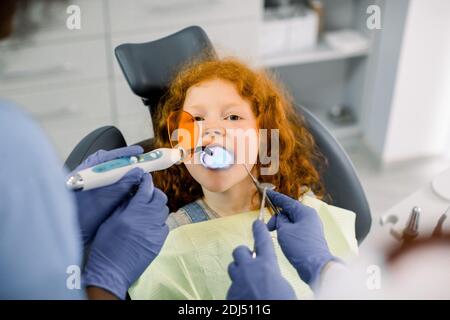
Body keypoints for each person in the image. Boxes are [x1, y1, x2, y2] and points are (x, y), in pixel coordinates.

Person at [0, 100, 169, 299]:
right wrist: (108, 280)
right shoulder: (12, 139)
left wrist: (68, 223)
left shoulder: (12, 133)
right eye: (198, 118)